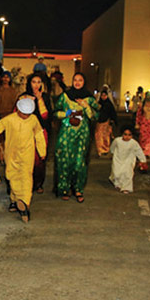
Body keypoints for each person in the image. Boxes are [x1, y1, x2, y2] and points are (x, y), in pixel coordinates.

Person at [0, 97, 46, 223]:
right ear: (18, 110)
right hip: (11, 154)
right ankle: (15, 200)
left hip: (27, 153)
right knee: (12, 176)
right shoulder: (9, 120)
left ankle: (24, 201)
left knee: (26, 176)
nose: (25, 116)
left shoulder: (33, 120)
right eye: (23, 114)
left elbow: (39, 135)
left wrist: (42, 151)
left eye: (28, 114)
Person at [52, 72, 100, 203]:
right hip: (66, 133)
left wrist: (86, 107)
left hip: (82, 134)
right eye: (75, 80)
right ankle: (64, 188)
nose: (77, 82)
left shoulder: (89, 98)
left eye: (80, 80)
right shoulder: (65, 96)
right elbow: (55, 113)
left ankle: (78, 188)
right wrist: (67, 113)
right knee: (64, 160)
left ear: (84, 82)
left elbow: (96, 116)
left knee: (79, 162)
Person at [25, 72, 52, 194]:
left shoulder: (45, 97)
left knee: (40, 159)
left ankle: (39, 183)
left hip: (41, 131)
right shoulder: (23, 96)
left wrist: (40, 99)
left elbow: (46, 116)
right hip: (26, 132)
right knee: (27, 158)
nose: (36, 85)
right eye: (34, 82)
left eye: (39, 82)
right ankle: (27, 182)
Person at [0, 70, 18, 165]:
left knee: (9, 138)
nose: (5, 79)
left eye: (7, 77)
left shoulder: (13, 91)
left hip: (10, 116)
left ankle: (8, 156)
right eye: (4, 77)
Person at [109, 125, 146, 194]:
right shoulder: (117, 141)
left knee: (127, 173)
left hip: (129, 160)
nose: (127, 137)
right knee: (117, 173)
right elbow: (112, 148)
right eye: (125, 134)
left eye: (129, 135)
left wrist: (143, 160)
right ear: (122, 134)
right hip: (117, 159)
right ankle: (118, 183)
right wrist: (112, 153)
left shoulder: (133, 143)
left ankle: (126, 188)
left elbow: (139, 151)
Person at [94, 90, 118, 157]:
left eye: (105, 95)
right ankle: (100, 150)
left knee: (105, 136)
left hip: (106, 122)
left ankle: (105, 149)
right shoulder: (99, 104)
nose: (103, 97)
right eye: (102, 95)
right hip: (99, 122)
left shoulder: (109, 104)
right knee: (98, 136)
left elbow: (112, 113)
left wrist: (112, 120)